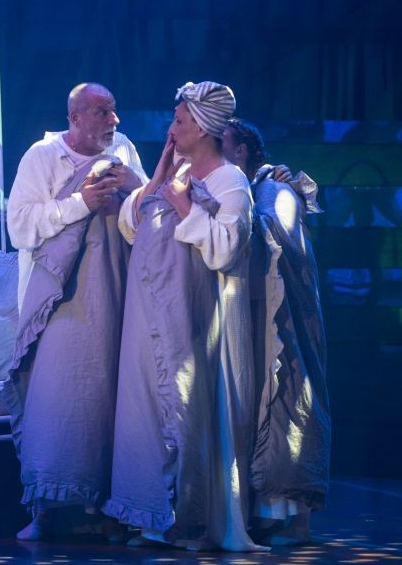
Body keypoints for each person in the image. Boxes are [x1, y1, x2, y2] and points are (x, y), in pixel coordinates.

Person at [104, 81, 266, 552]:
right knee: (145, 408)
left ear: (201, 128)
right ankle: (152, 515)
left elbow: (227, 249)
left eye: (178, 121)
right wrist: (158, 179)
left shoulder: (230, 181)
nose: (170, 129)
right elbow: (130, 226)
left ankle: (189, 519)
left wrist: (182, 202)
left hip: (194, 316)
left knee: (185, 406)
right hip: (148, 308)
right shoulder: (174, 170)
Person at [5, 82, 146, 540]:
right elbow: (20, 227)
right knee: (53, 399)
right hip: (59, 299)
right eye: (102, 112)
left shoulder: (123, 151)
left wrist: (135, 188)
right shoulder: (43, 156)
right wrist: (79, 204)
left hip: (114, 295)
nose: (114, 121)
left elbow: (147, 216)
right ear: (76, 118)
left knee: (109, 402)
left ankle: (107, 508)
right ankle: (44, 508)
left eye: (114, 111)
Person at [223, 118, 331, 545]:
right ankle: (268, 514)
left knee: (290, 404)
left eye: (222, 143)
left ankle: (299, 520)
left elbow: (281, 247)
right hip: (264, 318)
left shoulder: (275, 189)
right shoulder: (253, 189)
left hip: (287, 324)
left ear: (242, 151)